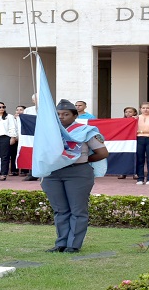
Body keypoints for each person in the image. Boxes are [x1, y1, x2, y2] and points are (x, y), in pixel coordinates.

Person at [41, 99, 109, 254]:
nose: (61, 117)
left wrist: (80, 160)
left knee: (78, 210)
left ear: (75, 115)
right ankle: (61, 243)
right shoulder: (48, 131)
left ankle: (73, 245)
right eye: (58, 114)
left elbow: (102, 153)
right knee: (60, 210)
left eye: (66, 114)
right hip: (53, 173)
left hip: (77, 173)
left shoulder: (86, 131)